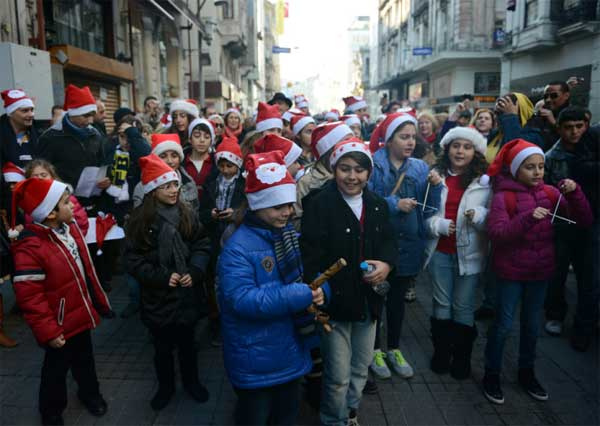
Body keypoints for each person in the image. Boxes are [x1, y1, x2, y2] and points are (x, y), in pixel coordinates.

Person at [482, 139, 592, 405]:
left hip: (540, 272)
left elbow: (583, 220)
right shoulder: (502, 196)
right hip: (510, 273)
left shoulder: (553, 194)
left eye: (541, 166)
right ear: (516, 169)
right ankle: (492, 374)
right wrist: (528, 218)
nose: (538, 172)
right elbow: (497, 234)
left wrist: (575, 193)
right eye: (530, 167)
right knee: (503, 325)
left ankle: (526, 372)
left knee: (531, 327)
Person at [218, 151, 322, 425]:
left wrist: (322, 290)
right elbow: (241, 300)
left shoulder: (289, 236)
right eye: (278, 207)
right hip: (254, 358)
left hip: (288, 351)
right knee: (255, 417)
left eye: (289, 205)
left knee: (286, 415)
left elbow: (309, 276)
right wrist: (299, 294)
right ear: (256, 206)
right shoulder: (237, 248)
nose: (287, 212)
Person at [301, 138, 396, 426]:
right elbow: (309, 254)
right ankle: (333, 418)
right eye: (345, 169)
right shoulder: (319, 204)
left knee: (360, 366)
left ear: (369, 173)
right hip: (336, 303)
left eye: (359, 170)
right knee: (338, 374)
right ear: (334, 169)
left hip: (368, 302)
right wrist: (317, 288)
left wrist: (387, 265)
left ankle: (350, 411)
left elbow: (390, 242)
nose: (352, 176)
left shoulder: (378, 205)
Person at [10, 177, 113, 425]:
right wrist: (49, 331)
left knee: (85, 360)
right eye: (67, 203)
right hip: (57, 325)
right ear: (51, 214)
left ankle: (90, 394)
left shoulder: (68, 229)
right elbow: (31, 298)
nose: (72, 206)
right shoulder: (30, 249)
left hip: (79, 315)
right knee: (55, 371)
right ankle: (51, 411)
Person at [126, 154, 211, 411]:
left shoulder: (186, 214)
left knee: (188, 345)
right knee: (162, 349)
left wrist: (195, 269)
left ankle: (192, 382)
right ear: (153, 190)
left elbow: (202, 244)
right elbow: (133, 260)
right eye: (167, 186)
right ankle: (166, 387)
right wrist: (162, 277)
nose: (174, 190)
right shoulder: (140, 221)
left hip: (186, 295)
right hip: (158, 298)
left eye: (175, 185)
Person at [367, 112, 442, 381]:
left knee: (398, 302)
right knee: (376, 299)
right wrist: (393, 204)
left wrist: (435, 187)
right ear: (389, 140)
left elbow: (429, 208)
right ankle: (374, 350)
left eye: (413, 137)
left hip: (409, 245)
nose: (411, 142)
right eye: (404, 137)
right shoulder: (374, 166)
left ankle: (394, 349)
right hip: (378, 244)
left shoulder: (421, 168)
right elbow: (365, 201)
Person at [424, 127, 491, 379]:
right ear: (447, 148)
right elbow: (424, 215)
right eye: (455, 145)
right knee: (441, 303)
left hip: (470, 254)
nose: (460, 151)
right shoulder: (435, 177)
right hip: (440, 251)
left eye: (466, 146)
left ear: (476, 152)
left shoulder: (485, 182)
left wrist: (480, 217)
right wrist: (437, 225)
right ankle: (441, 353)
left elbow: (492, 215)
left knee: (463, 306)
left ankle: (461, 358)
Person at [543, 107, 597, 351]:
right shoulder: (551, 157)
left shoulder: (594, 147)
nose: (575, 132)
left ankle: (584, 325)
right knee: (557, 272)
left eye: (579, 126)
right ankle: (555, 314)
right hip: (562, 223)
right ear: (560, 128)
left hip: (592, 222)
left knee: (590, 276)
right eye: (568, 127)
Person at [37, 85, 107, 210]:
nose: (91, 121)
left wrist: (106, 179)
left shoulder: (96, 135)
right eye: (85, 116)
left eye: (92, 115)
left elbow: (103, 163)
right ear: (72, 114)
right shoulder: (50, 138)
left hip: (94, 204)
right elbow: (40, 173)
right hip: (63, 206)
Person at [294, 122, 353, 227]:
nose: (352, 146)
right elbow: (296, 221)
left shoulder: (356, 176)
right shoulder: (307, 182)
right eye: (345, 142)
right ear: (329, 149)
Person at [133, 134, 199, 212]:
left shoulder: (188, 183)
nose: (169, 161)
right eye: (163, 156)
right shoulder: (143, 187)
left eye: (174, 156)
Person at [25, 159, 89, 235]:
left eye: (43, 175)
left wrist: (68, 240)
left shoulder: (67, 197)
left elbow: (82, 224)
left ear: (52, 177)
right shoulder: (28, 204)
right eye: (35, 176)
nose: (40, 178)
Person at [485, 93, 543, 163]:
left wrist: (511, 117)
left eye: (503, 113)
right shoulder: (495, 134)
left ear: (521, 112)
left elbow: (513, 150)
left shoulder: (534, 136)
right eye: (497, 112)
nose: (499, 117)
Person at [1, 89, 41, 168]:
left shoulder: (39, 134)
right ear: (11, 113)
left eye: (32, 110)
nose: (31, 114)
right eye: (25, 111)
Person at [531, 81, 572, 151]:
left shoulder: (573, 113)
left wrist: (554, 123)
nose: (548, 99)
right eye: (546, 96)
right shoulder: (540, 114)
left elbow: (573, 138)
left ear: (566, 96)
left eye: (554, 96)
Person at [184, 118, 218, 202]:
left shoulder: (217, 164)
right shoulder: (181, 163)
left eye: (206, 137)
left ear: (211, 141)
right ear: (190, 139)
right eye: (197, 136)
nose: (202, 140)